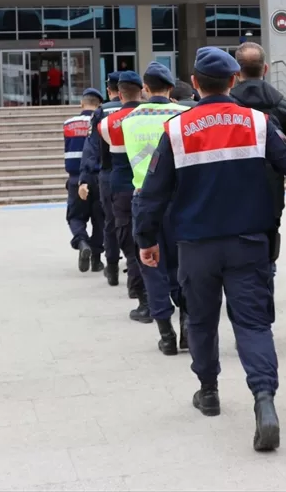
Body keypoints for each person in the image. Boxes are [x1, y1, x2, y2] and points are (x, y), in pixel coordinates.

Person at [136, 47, 286, 451]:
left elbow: (153, 193)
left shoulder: (177, 130)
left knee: (200, 320)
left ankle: (209, 391)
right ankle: (264, 400)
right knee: (252, 324)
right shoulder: (259, 122)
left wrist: (146, 240)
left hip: (196, 246)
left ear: (194, 84)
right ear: (234, 81)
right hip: (249, 244)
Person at [122, 62, 189, 355]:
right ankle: (188, 326)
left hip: (143, 198)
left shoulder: (128, 119)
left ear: (145, 89)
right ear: (171, 88)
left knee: (152, 267)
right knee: (185, 265)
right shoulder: (184, 115)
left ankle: (166, 334)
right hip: (180, 199)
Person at [230, 41, 286, 249]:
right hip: (270, 193)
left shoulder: (227, 105)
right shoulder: (282, 105)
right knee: (267, 253)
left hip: (232, 190)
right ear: (265, 69)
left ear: (235, 71)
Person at [97, 71, 152, 322]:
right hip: (150, 183)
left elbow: (105, 159)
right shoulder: (154, 117)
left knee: (128, 240)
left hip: (121, 186)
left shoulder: (107, 123)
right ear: (142, 91)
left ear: (119, 94)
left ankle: (139, 293)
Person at [80, 72, 124, 286]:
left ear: (109, 90)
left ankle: (113, 268)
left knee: (110, 223)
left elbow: (91, 148)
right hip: (138, 174)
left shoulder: (102, 111)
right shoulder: (139, 110)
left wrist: (84, 178)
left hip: (107, 174)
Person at [64, 88, 106, 274]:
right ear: (99, 105)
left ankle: (81, 242)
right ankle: (96, 259)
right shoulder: (102, 123)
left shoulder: (68, 124)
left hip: (75, 179)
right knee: (100, 219)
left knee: (75, 216)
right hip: (98, 178)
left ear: (82, 103)